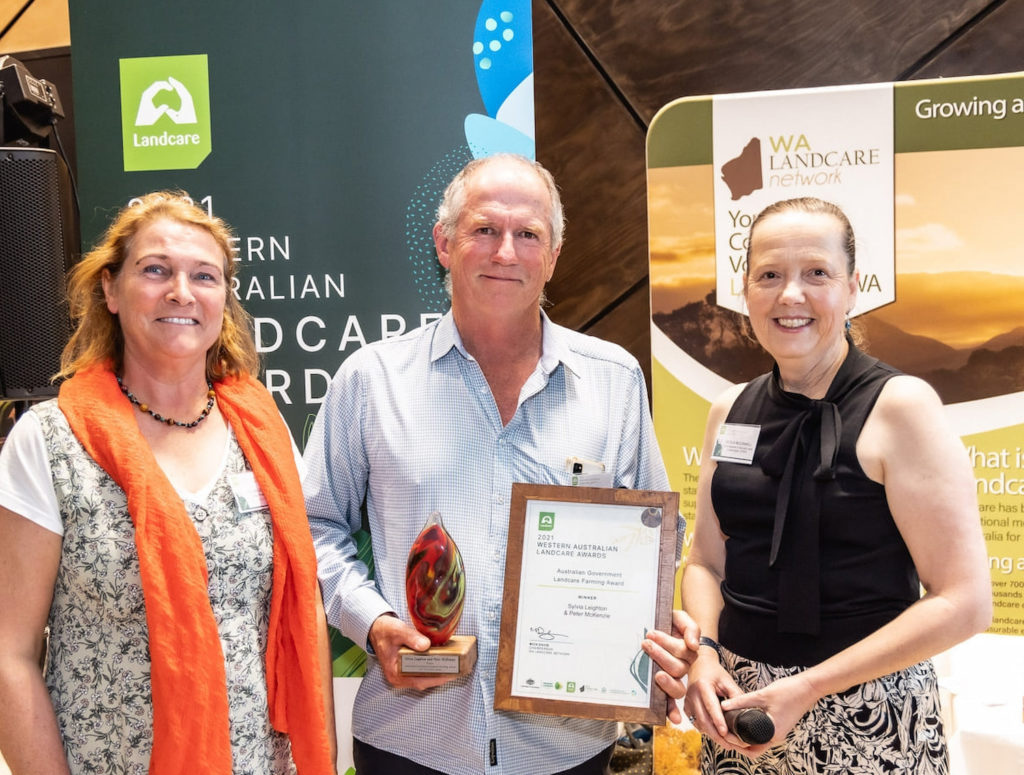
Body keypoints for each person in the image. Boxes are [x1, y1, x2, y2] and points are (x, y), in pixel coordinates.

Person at [304, 154, 698, 775]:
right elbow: (313, 525)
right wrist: (373, 621)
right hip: (411, 743)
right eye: (484, 229)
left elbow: (653, 540)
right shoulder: (370, 381)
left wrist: (645, 625)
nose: (506, 252)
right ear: (444, 243)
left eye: (528, 234)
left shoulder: (613, 381)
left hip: (566, 749)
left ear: (555, 254)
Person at [0, 193, 337, 774]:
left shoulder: (263, 429)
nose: (181, 291)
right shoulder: (48, 442)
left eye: (204, 276)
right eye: (155, 270)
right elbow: (9, 653)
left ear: (223, 301)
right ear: (110, 289)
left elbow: (300, 617)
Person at [681, 197, 992, 774]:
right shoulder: (729, 409)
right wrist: (704, 655)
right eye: (769, 275)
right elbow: (705, 562)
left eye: (816, 274)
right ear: (744, 292)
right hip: (740, 712)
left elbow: (965, 602)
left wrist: (808, 688)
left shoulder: (902, 407)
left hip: (870, 712)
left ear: (852, 289)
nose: (790, 295)